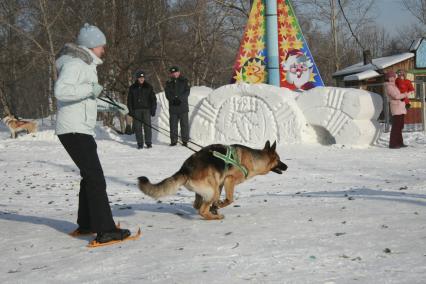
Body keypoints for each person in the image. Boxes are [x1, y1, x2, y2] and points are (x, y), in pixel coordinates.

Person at [54, 23, 133, 245]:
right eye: (101, 46)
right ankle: (105, 230)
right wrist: (90, 89)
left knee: (89, 177)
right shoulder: (76, 64)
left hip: (78, 128)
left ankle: (87, 223)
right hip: (74, 129)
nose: (103, 50)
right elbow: (61, 91)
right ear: (91, 46)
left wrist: (113, 106)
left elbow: (87, 99)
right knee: (96, 179)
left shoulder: (84, 64)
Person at [127, 70, 157, 149]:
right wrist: (130, 111)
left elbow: (153, 99)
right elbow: (129, 100)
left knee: (147, 127)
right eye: (140, 78)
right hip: (136, 110)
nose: (141, 79)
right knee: (137, 128)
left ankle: (148, 143)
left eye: (143, 77)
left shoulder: (149, 87)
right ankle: (140, 144)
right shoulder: (132, 87)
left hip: (146, 110)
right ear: (137, 78)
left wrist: (153, 109)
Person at [165, 66, 191, 146]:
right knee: (173, 125)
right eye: (173, 73)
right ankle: (173, 141)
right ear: (171, 74)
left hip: (183, 107)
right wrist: (173, 100)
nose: (174, 74)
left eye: (176, 72)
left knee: (184, 125)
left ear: (179, 72)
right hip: (173, 107)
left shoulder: (184, 81)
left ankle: (185, 141)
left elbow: (187, 92)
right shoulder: (168, 82)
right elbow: (167, 93)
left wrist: (180, 99)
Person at [384, 70, 408, 149]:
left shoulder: (395, 85)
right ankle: (393, 144)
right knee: (396, 127)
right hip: (396, 108)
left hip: (400, 107)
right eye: (390, 77)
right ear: (387, 78)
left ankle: (399, 143)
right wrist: (405, 94)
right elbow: (396, 96)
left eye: (393, 77)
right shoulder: (389, 86)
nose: (392, 79)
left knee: (400, 126)